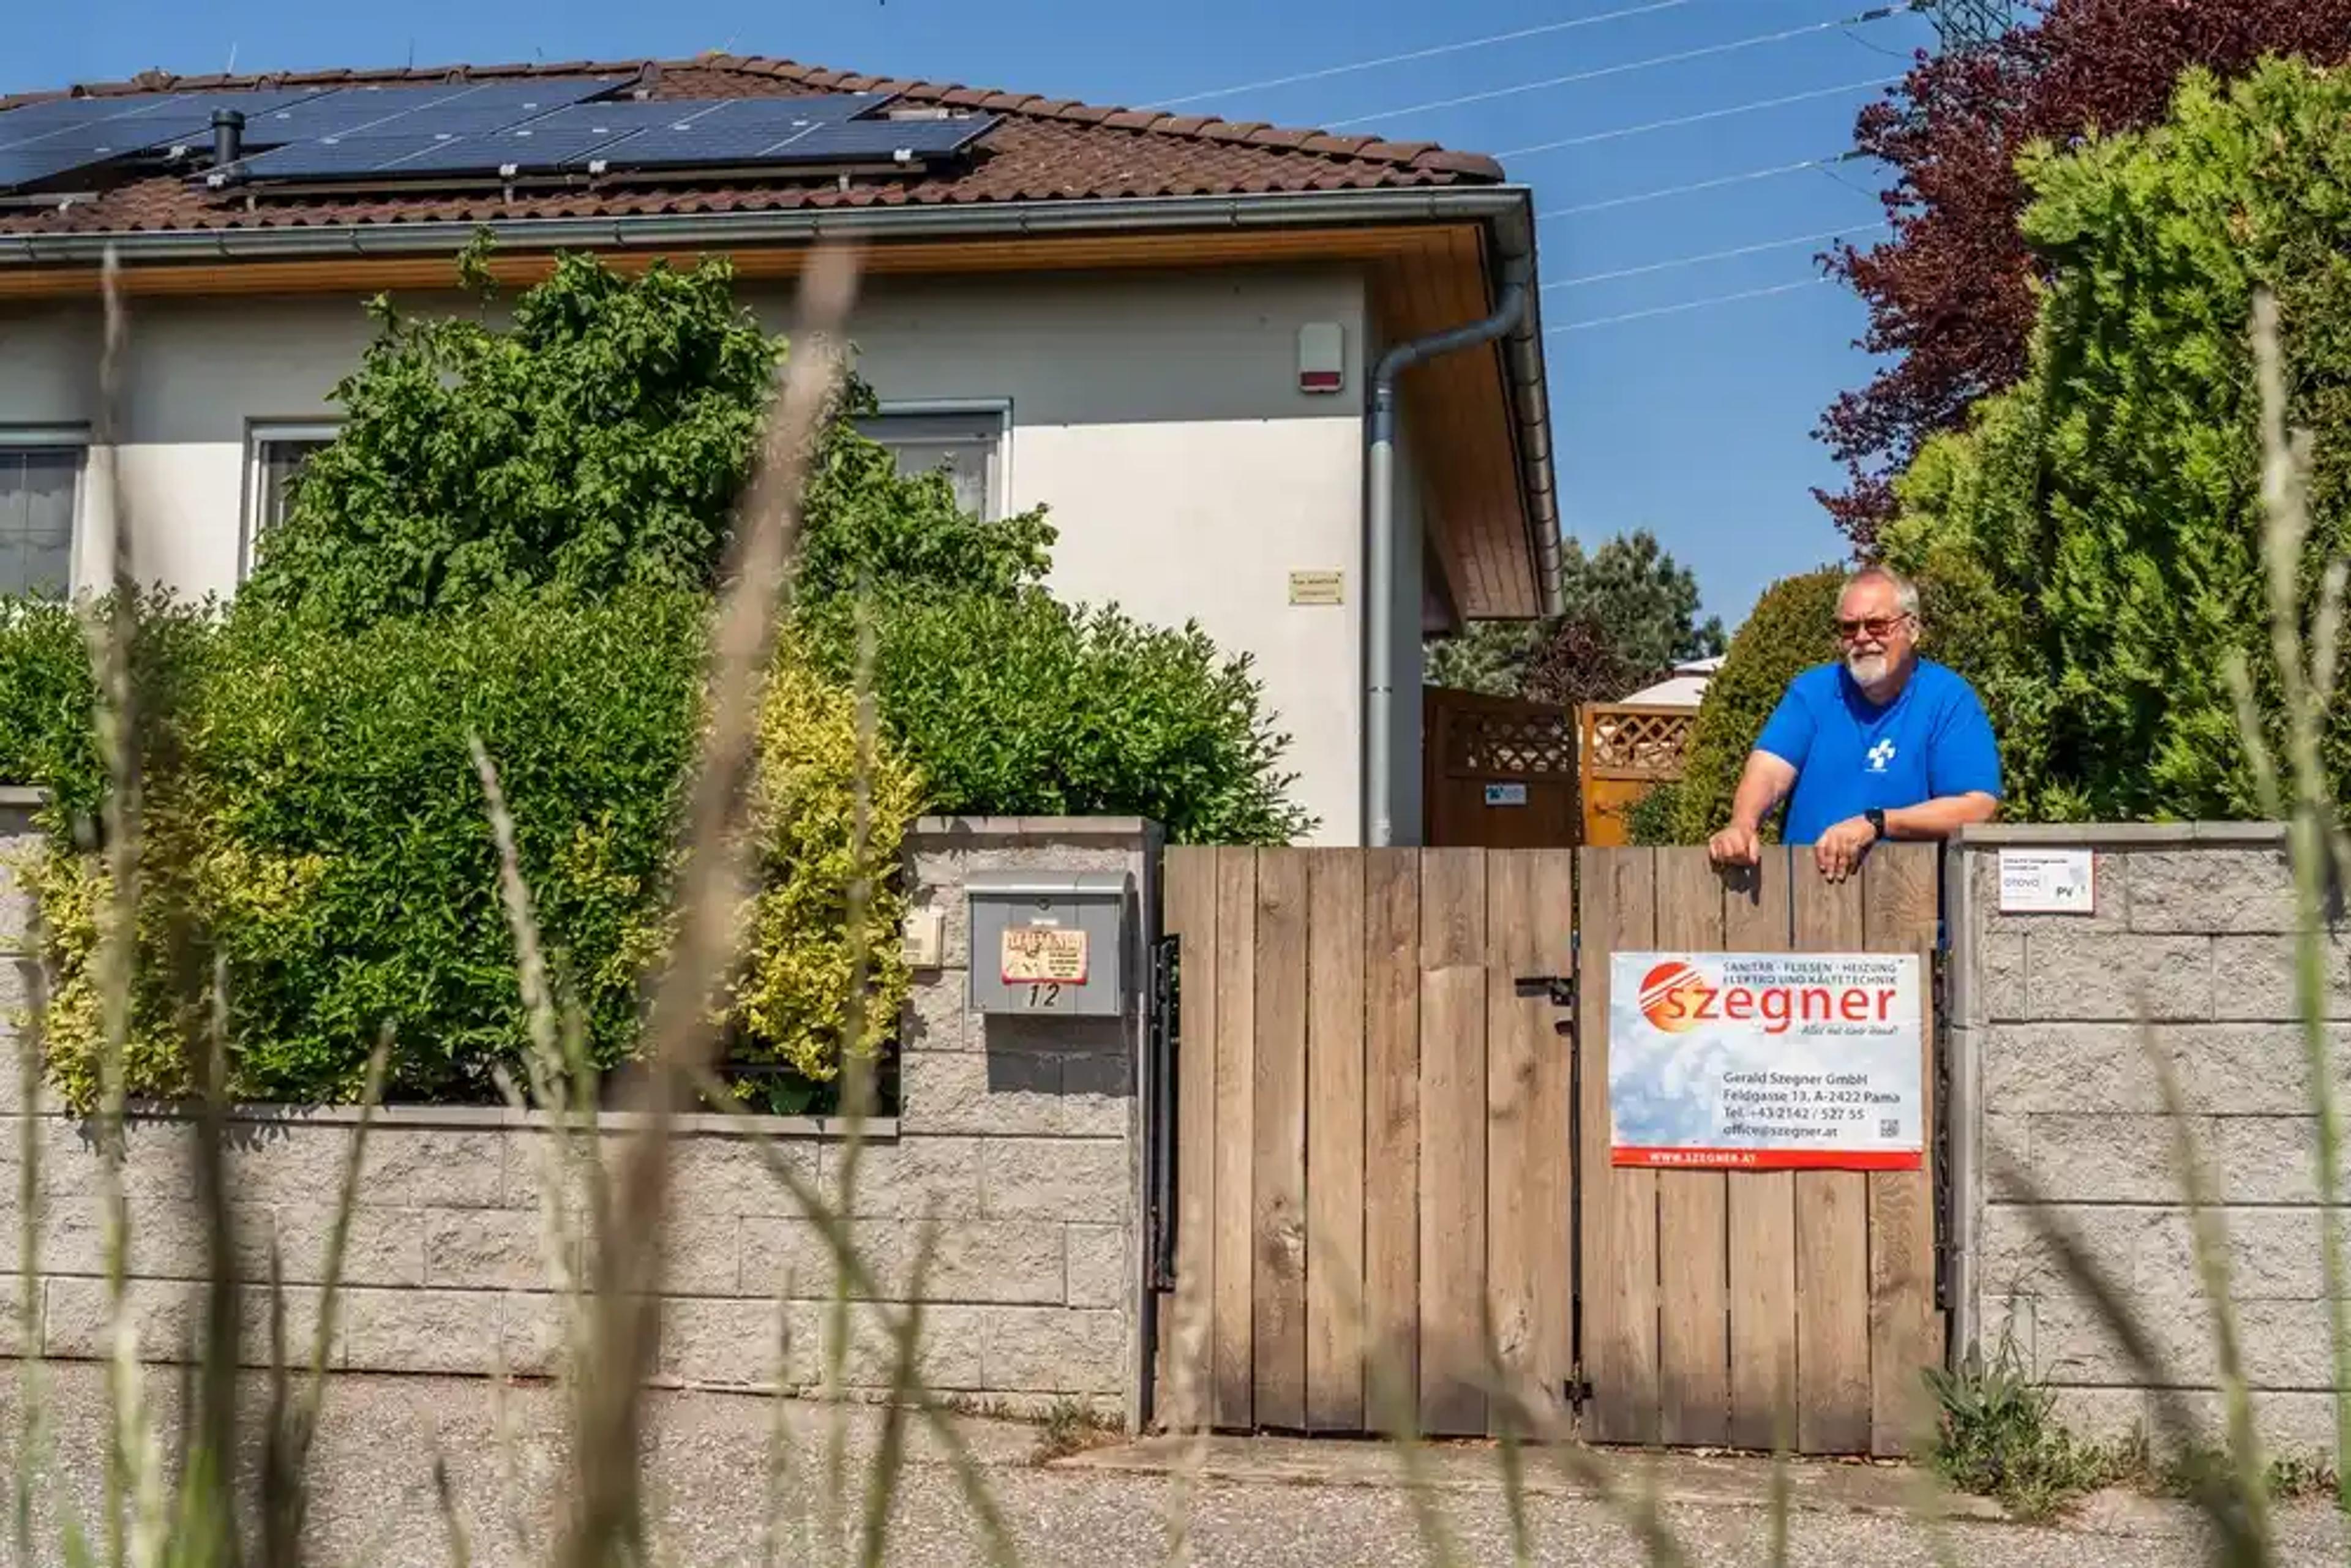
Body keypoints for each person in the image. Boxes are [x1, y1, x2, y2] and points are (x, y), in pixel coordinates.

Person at [1708, 565, 2000, 882]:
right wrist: (1743, 824)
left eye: (1876, 625)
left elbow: (1977, 806)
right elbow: (1769, 771)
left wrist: (1877, 823)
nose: (1862, 638)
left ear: (1912, 629)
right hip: (1806, 902)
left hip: (1911, 908)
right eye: (1849, 628)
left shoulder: (1947, 698)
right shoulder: (1812, 692)